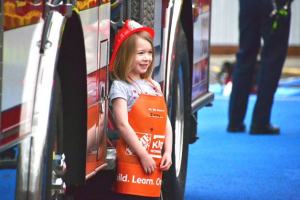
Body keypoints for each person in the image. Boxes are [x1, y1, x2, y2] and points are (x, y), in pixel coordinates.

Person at [109, 20, 173, 200]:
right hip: (132, 163)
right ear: (126, 55)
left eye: (150, 53)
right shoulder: (120, 87)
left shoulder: (153, 87)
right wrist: (143, 155)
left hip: (153, 164)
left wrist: (167, 151)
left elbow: (164, 122)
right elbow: (122, 124)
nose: (147, 58)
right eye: (141, 53)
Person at [227, 0, 292, 134]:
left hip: (248, 3)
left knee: (245, 54)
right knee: (272, 59)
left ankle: (235, 120)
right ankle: (260, 121)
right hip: (274, 4)